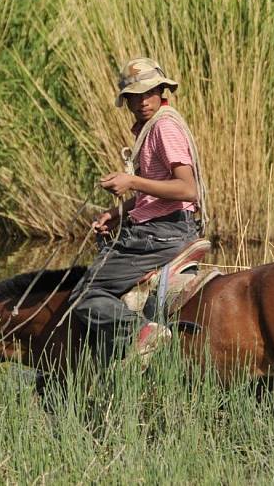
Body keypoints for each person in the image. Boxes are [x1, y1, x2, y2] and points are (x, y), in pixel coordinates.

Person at [69, 57, 207, 365]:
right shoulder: (152, 126)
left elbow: (187, 189)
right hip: (164, 226)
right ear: (127, 100)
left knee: (84, 295)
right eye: (135, 96)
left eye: (149, 93)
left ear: (161, 91)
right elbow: (159, 187)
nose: (143, 101)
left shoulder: (163, 129)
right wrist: (117, 212)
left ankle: (140, 331)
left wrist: (130, 180)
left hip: (162, 233)